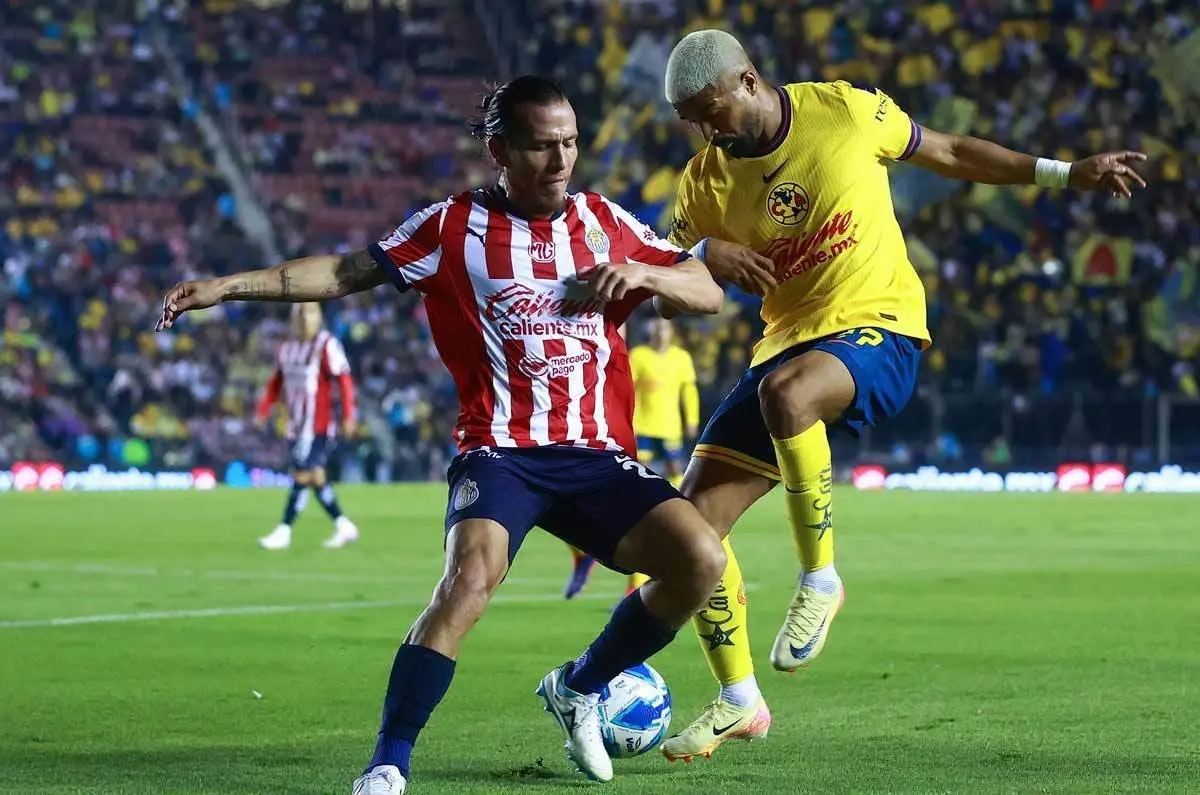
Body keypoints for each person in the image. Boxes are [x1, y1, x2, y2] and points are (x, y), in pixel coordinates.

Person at [156, 75, 728, 794]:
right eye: (542, 146)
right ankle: (388, 762)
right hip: (501, 452)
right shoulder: (451, 228)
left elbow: (705, 290)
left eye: (571, 142)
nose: (561, 160)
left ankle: (580, 685)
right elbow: (342, 271)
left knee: (701, 560)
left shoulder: (605, 222)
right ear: (499, 150)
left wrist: (641, 271)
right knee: (467, 583)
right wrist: (224, 287)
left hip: (596, 457)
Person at [655, 29, 1149, 762]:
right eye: (691, 120)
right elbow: (670, 292)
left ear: (749, 81)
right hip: (782, 343)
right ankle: (739, 699)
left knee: (790, 394)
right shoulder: (703, 182)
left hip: (876, 327)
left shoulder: (845, 111)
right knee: (689, 532)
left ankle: (820, 578)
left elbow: (948, 151)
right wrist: (698, 259)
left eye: (710, 109)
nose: (705, 128)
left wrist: (1065, 172)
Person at [565, 317, 700, 600]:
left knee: (676, 473)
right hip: (643, 428)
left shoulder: (681, 358)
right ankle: (654, 522)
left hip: (670, 427)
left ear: (671, 332)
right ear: (650, 331)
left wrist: (692, 419)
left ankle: (676, 510)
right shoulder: (639, 356)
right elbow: (625, 386)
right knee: (641, 486)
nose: (660, 332)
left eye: (665, 328)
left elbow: (688, 390)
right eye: (656, 328)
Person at [256, 302, 360, 550]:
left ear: (318, 317)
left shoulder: (326, 344)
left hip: (319, 425)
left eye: (310, 314)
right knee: (315, 476)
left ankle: (284, 530)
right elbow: (276, 381)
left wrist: (348, 415)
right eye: (300, 314)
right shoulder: (287, 347)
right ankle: (344, 525)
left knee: (301, 474)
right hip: (294, 424)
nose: (305, 319)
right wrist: (263, 409)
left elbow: (343, 381)